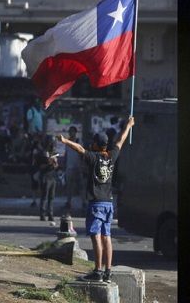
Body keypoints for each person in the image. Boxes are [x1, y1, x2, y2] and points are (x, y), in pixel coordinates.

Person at [58, 116, 135, 283]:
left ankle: (98, 271)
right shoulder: (112, 155)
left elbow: (79, 148)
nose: (90, 145)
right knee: (106, 236)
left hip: (96, 204)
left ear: (96, 145)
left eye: (92, 143)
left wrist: (65, 141)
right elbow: (120, 140)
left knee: (96, 237)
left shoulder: (93, 157)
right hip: (108, 203)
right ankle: (108, 271)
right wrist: (128, 125)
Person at [37, 135, 59, 221]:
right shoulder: (43, 153)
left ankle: (50, 214)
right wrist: (50, 163)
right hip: (45, 177)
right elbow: (40, 166)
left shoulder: (53, 153)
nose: (53, 145)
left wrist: (55, 164)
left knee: (51, 197)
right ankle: (42, 214)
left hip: (52, 176)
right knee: (44, 196)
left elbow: (56, 166)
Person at [63, 126, 85, 210]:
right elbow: (66, 154)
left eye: (72, 132)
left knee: (80, 186)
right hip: (69, 167)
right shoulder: (67, 142)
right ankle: (68, 202)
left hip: (78, 166)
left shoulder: (79, 141)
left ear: (75, 132)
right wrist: (64, 164)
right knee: (69, 186)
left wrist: (82, 165)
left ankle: (84, 202)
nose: (71, 133)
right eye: (70, 132)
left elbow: (82, 154)